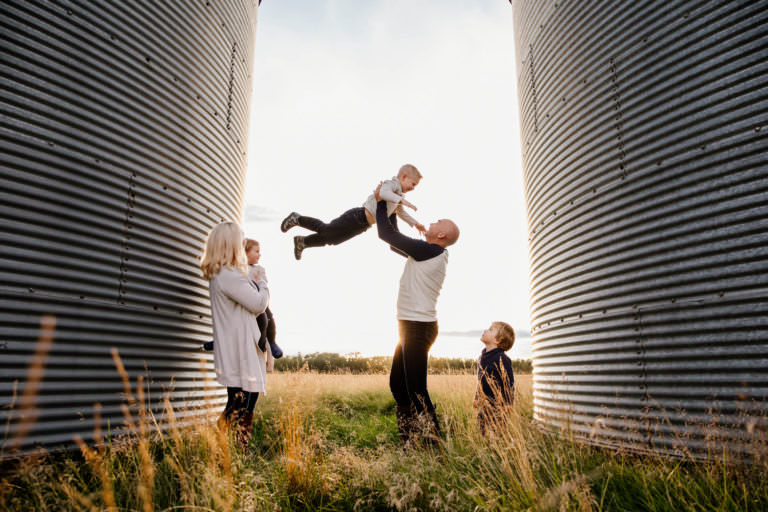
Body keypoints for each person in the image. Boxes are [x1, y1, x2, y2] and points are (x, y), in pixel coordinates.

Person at [373, 183, 460, 448]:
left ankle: (435, 448)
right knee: (399, 386)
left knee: (416, 390)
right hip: (410, 326)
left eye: (437, 222)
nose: (431, 222)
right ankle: (409, 442)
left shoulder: (432, 251)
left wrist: (379, 202)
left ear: (442, 234)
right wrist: (391, 209)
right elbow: (393, 242)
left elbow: (386, 236)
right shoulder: (426, 252)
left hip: (418, 328)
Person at [200, 222, 270, 448]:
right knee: (238, 405)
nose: (242, 245)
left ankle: (238, 449)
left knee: (242, 403)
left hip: (238, 346)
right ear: (229, 244)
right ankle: (214, 449)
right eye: (239, 241)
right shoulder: (229, 274)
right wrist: (262, 282)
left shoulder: (223, 273)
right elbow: (258, 303)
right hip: (238, 349)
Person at [280, 164, 426, 260]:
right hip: (357, 216)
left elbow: (401, 213)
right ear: (404, 177)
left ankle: (303, 242)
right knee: (326, 230)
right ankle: (297, 219)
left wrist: (416, 224)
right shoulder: (391, 184)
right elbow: (383, 192)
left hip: (362, 226)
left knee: (333, 240)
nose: (413, 188)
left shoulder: (399, 197)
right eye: (413, 184)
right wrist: (401, 200)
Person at [203, 238, 283, 365]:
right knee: (230, 321)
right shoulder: (234, 269)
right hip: (240, 302)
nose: (259, 254)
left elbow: (263, 285)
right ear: (245, 253)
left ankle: (272, 342)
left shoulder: (258, 269)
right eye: (256, 251)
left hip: (256, 299)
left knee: (268, 317)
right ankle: (219, 341)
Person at [473, 322, 516, 436]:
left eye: (491, 330)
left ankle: (498, 448)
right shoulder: (482, 357)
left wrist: (508, 402)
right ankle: (485, 446)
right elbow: (480, 380)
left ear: (498, 340)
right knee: (482, 426)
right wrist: (477, 396)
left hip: (498, 405)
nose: (486, 330)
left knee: (497, 430)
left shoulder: (502, 358)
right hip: (484, 403)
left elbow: (509, 382)